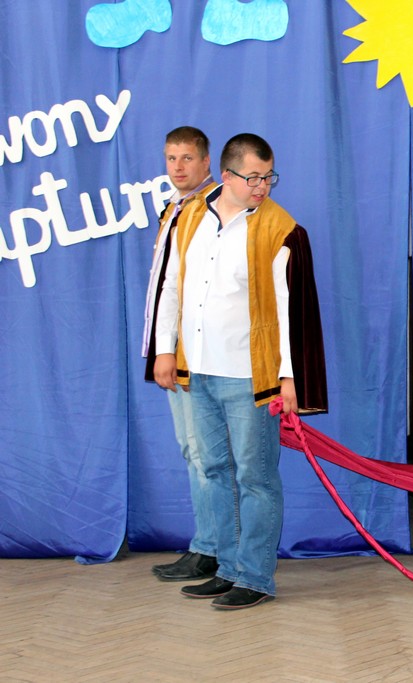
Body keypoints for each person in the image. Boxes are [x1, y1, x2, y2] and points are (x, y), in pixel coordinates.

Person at [153, 133, 328, 609]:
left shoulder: (280, 229)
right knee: (215, 469)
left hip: (250, 376)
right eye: (253, 177)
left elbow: (290, 311)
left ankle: (255, 577)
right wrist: (165, 348)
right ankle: (226, 568)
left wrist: (289, 377)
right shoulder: (190, 218)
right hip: (197, 369)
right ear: (227, 176)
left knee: (255, 477)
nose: (262, 186)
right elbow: (173, 286)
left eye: (268, 177)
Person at [143, 126, 218, 582]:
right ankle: (207, 543)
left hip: (198, 350)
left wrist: (170, 348)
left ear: (207, 161)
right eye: (171, 158)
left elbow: (187, 287)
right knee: (192, 449)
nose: (178, 167)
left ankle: (212, 548)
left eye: (187, 158)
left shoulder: (211, 209)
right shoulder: (174, 208)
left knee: (206, 451)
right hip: (176, 345)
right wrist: (161, 344)